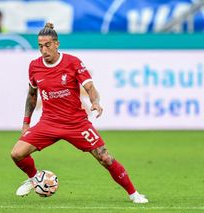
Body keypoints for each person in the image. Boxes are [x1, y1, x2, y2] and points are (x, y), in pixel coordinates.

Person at [10, 23, 148, 204]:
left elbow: (89, 87)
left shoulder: (72, 62)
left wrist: (95, 102)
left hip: (76, 123)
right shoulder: (34, 66)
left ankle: (134, 193)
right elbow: (31, 94)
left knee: (105, 157)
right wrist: (26, 122)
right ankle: (35, 178)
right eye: (40, 46)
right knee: (17, 154)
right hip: (49, 122)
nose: (44, 50)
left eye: (48, 45)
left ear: (57, 44)